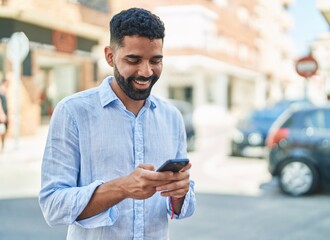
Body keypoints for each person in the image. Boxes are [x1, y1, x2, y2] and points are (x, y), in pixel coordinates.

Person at [39, 7, 196, 240]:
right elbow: (53, 206)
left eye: (156, 60)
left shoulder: (172, 117)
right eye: (133, 60)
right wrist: (122, 188)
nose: (146, 71)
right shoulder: (73, 112)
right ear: (110, 56)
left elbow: (185, 205)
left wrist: (180, 192)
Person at [0, 79, 9, 151]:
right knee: (2, 130)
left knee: (3, 130)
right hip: (2, 115)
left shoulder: (4, 92)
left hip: (4, 114)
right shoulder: (1, 92)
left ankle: (2, 146)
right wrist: (2, 114)